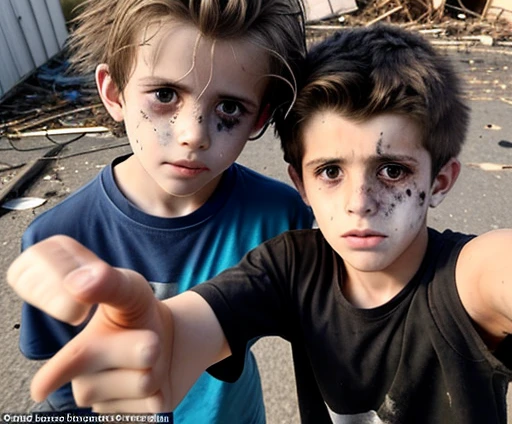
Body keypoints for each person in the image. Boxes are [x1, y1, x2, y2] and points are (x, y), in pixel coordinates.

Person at [9, 24, 512, 423]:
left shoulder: (464, 278)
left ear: (441, 181)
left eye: (393, 171)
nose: (360, 203)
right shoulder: (293, 266)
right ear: (301, 183)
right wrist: (159, 336)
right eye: (330, 171)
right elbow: (190, 325)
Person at [16, 0, 312, 423]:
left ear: (260, 117)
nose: (194, 133)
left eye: (229, 111)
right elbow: (67, 394)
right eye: (165, 95)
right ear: (114, 93)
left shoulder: (283, 219)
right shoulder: (57, 239)